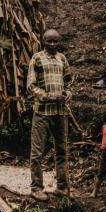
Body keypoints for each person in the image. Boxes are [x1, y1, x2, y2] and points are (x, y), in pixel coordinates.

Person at [27, 29, 71, 201]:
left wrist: (68, 93)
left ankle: (62, 187)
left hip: (60, 113)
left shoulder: (62, 58)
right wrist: (49, 96)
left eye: (55, 41)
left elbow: (68, 81)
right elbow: (31, 86)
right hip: (42, 112)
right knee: (37, 152)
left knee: (61, 150)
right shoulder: (37, 58)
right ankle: (36, 188)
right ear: (43, 42)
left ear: (59, 42)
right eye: (49, 41)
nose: (52, 44)